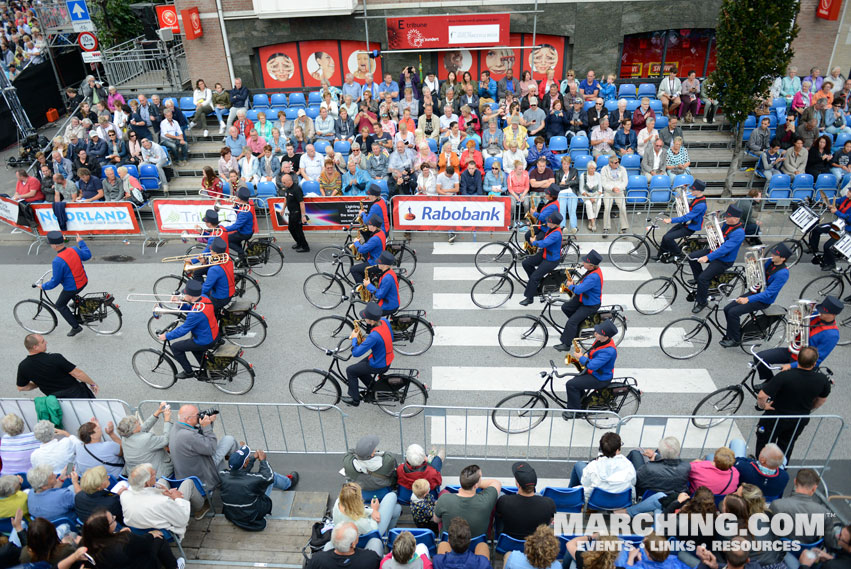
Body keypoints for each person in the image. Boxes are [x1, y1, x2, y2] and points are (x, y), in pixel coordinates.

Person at [754, 345, 831, 459]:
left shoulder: (785, 376)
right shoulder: (822, 380)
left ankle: (761, 466)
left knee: (764, 443)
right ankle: (781, 469)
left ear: (798, 360)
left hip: (775, 416)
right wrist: (808, 409)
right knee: (786, 444)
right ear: (814, 363)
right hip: (799, 418)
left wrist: (764, 406)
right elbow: (821, 400)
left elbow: (761, 396)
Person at [755, 296, 843, 381]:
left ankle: (774, 390)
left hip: (804, 364)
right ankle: (769, 381)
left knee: (781, 382)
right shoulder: (815, 315)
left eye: (824, 312)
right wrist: (798, 319)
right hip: (793, 352)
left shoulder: (832, 335)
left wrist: (791, 366)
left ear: (833, 314)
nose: (820, 312)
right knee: (759, 358)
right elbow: (799, 328)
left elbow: (817, 360)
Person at [720, 242, 791, 347]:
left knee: (733, 312)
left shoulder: (783, 273)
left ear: (783, 258)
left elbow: (768, 293)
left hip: (763, 300)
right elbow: (760, 272)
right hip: (755, 292)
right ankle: (732, 333)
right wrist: (755, 263)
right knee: (727, 309)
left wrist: (748, 299)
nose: (772, 255)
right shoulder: (771, 262)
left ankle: (735, 340)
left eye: (775, 255)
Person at [219, 445, 298, 531]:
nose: (249, 457)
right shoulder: (252, 480)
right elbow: (268, 477)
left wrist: (253, 458)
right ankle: (288, 483)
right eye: (247, 457)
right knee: (273, 477)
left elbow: (240, 472)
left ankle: (287, 483)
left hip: (232, 514)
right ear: (245, 463)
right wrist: (263, 461)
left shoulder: (222, 474)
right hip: (252, 515)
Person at [169, 404, 237, 497]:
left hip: (190, 472)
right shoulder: (187, 436)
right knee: (229, 439)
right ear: (188, 419)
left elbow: (199, 439)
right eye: (197, 415)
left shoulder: (176, 428)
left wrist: (209, 424)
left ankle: (226, 474)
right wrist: (207, 427)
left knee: (221, 457)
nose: (200, 416)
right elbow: (211, 449)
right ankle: (239, 466)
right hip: (203, 477)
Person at [120, 463, 206, 537]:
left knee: (162, 480)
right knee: (188, 483)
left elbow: (146, 499)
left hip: (139, 530)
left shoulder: (124, 495)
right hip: (165, 532)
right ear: (147, 482)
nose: (155, 475)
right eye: (153, 475)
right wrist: (177, 499)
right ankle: (201, 507)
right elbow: (183, 520)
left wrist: (162, 493)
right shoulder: (162, 501)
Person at [688, 205, 745, 313]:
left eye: (728, 217)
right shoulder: (727, 225)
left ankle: (702, 302)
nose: (726, 218)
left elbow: (725, 249)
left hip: (724, 260)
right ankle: (698, 280)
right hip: (715, 252)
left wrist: (707, 257)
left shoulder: (739, 233)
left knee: (703, 278)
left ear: (736, 219)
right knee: (692, 257)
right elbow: (719, 238)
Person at [156, 280, 219, 379]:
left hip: (205, 340)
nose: (183, 295)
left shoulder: (195, 314)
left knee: (175, 347)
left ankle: (188, 372)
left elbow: (183, 330)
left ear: (191, 296)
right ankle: (207, 369)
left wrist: (166, 336)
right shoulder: (204, 299)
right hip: (213, 332)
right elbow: (191, 308)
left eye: (185, 294)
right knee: (194, 349)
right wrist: (179, 303)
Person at [81, 509, 185, 569]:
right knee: (159, 539)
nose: (114, 517)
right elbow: (144, 543)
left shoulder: (85, 547)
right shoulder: (125, 539)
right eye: (112, 519)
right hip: (141, 565)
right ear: (104, 529)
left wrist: (116, 535)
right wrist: (151, 534)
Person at [562, 320, 619, 419]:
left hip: (600, 377)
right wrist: (586, 354)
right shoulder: (600, 340)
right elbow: (593, 350)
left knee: (571, 385)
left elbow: (592, 365)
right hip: (595, 373)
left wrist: (581, 357)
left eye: (598, 333)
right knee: (576, 382)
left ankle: (575, 412)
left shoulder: (609, 351)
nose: (595, 333)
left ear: (606, 337)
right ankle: (581, 402)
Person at [37, 232, 91, 336]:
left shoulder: (57, 261)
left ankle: (76, 327)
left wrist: (43, 286)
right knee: (70, 295)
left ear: (54, 245)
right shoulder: (74, 249)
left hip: (73, 287)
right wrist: (81, 242)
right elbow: (87, 256)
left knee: (60, 305)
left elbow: (55, 281)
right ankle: (76, 303)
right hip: (84, 281)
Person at [342, 302, 394, 406]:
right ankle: (374, 388)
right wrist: (370, 342)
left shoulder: (374, 336)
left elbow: (356, 353)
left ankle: (355, 400)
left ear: (372, 321)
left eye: (365, 318)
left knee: (351, 371)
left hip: (379, 363)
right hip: (385, 357)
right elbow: (391, 337)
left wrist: (354, 339)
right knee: (359, 368)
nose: (363, 319)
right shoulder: (384, 321)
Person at [434, 465, 501, 542]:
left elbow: (436, 520)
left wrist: (470, 481)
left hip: (450, 543)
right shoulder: (486, 500)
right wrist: (474, 482)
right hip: (477, 545)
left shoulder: (444, 499)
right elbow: (496, 483)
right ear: (476, 485)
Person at [17, 333, 98, 398]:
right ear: (35, 347)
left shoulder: (23, 366)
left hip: (55, 400)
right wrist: (92, 383)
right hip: (76, 394)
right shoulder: (55, 358)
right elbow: (77, 374)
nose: (46, 342)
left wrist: (37, 384)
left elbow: (21, 387)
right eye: (42, 342)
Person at [554, 250, 603, 352]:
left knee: (571, 322)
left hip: (590, 304)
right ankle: (576, 326)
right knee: (565, 307)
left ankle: (566, 344)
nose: (583, 262)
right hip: (584, 298)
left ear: (591, 266)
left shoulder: (593, 277)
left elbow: (579, 289)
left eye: (585, 262)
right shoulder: (592, 271)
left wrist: (571, 285)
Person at [495, 462, 556, 540]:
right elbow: (552, 522)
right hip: (535, 544)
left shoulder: (504, 501)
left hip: (509, 543)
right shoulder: (549, 503)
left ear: (518, 484)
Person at [568, 431, 635, 499]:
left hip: (596, 500)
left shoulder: (593, 466)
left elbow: (585, 482)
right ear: (617, 450)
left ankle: (568, 495)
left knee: (578, 465)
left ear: (602, 450)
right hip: (620, 500)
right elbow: (633, 481)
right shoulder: (628, 464)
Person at [117, 402, 174, 478]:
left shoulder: (125, 436)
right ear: (133, 430)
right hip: (156, 474)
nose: (139, 423)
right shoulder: (146, 439)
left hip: (137, 475)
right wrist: (167, 420)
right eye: (137, 422)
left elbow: (142, 429)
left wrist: (157, 413)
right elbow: (166, 439)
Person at [657, 179, 707, 262]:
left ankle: (678, 254)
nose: (691, 191)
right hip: (685, 224)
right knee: (665, 237)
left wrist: (671, 220)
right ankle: (660, 256)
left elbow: (687, 217)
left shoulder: (701, 205)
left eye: (693, 189)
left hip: (690, 227)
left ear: (699, 191)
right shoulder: (696, 199)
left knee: (668, 238)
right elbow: (688, 210)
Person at [520, 211, 564, 306]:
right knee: (526, 263)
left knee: (534, 277)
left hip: (551, 260)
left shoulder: (556, 234)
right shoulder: (551, 227)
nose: (547, 222)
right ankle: (537, 283)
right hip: (544, 253)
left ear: (555, 224)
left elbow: (544, 243)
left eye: (549, 221)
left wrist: (534, 242)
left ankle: (530, 298)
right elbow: (543, 229)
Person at [342, 435, 399, 502]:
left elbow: (350, 451)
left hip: (361, 493)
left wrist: (361, 451)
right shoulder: (387, 461)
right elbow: (387, 454)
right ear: (372, 454)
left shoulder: (348, 463)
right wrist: (377, 453)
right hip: (384, 491)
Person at [808, 186, 851, 271]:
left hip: (846, 229)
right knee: (817, 229)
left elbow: (848, 218)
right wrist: (829, 203)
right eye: (849, 191)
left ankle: (831, 264)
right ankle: (814, 248)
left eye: (850, 192)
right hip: (838, 224)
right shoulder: (845, 199)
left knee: (827, 246)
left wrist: (836, 212)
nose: (848, 192)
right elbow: (836, 201)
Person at [306, 522, 381, 569]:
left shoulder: (317, 560)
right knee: (376, 542)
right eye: (357, 534)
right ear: (353, 544)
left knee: (328, 545)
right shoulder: (371, 558)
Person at [222, 186, 256, 265]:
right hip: (247, 230)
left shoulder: (244, 212)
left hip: (244, 233)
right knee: (235, 239)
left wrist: (223, 228)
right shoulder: (248, 204)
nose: (236, 198)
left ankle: (242, 253)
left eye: (237, 197)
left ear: (240, 199)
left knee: (227, 239)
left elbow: (236, 226)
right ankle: (242, 259)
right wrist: (235, 206)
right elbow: (239, 210)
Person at [278, 172, 309, 252]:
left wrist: (303, 216)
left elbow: (301, 203)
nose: (283, 184)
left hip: (297, 213)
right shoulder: (288, 188)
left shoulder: (296, 189)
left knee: (299, 231)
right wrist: (283, 209)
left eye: (284, 182)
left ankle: (305, 247)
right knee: (291, 228)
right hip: (291, 212)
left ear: (289, 181)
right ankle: (299, 243)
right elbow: (286, 198)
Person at [351, 216, 386, 285]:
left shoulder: (375, 239)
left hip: (375, 262)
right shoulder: (381, 232)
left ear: (374, 226)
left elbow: (361, 250)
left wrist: (356, 242)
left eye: (369, 225)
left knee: (353, 269)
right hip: (380, 257)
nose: (368, 226)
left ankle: (363, 290)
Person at [600, 155, 629, 236]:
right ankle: (606, 228)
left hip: (619, 191)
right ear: (610, 163)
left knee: (623, 208)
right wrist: (612, 188)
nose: (617, 164)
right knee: (607, 209)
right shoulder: (604, 169)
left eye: (618, 162)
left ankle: (624, 228)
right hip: (608, 191)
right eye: (616, 163)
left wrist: (619, 188)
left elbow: (625, 181)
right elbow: (603, 182)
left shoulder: (622, 169)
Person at [365, 251, 400, 315]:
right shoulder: (389, 271)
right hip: (390, 300)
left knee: (368, 314)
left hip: (389, 305)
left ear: (385, 266)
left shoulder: (387, 278)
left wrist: (368, 285)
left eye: (379, 263)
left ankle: (375, 325)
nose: (377, 264)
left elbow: (379, 295)